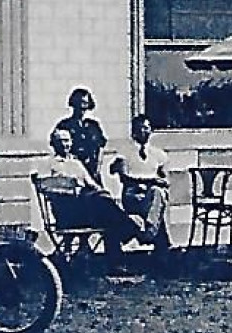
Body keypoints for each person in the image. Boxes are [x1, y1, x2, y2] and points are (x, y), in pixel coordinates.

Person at [42, 128, 139, 267]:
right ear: (53, 143)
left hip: (85, 209)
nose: (65, 144)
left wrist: (104, 193)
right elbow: (44, 186)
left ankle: (115, 262)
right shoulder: (50, 164)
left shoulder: (76, 163)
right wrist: (68, 187)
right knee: (102, 205)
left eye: (67, 140)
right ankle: (129, 228)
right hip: (66, 212)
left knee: (107, 213)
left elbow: (91, 183)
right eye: (60, 141)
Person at [110, 113, 171, 255]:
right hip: (133, 195)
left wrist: (156, 182)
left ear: (151, 130)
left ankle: (148, 229)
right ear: (133, 132)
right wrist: (149, 180)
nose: (142, 131)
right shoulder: (124, 152)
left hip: (151, 196)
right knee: (157, 198)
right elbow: (124, 177)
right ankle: (152, 231)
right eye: (139, 128)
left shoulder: (158, 154)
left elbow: (165, 180)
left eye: (146, 128)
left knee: (159, 192)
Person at [53, 87, 109, 185]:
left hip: (92, 168)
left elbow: (100, 147)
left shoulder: (93, 126)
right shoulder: (65, 125)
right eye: (79, 103)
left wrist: (97, 167)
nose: (82, 107)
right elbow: (58, 146)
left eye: (85, 103)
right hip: (74, 170)